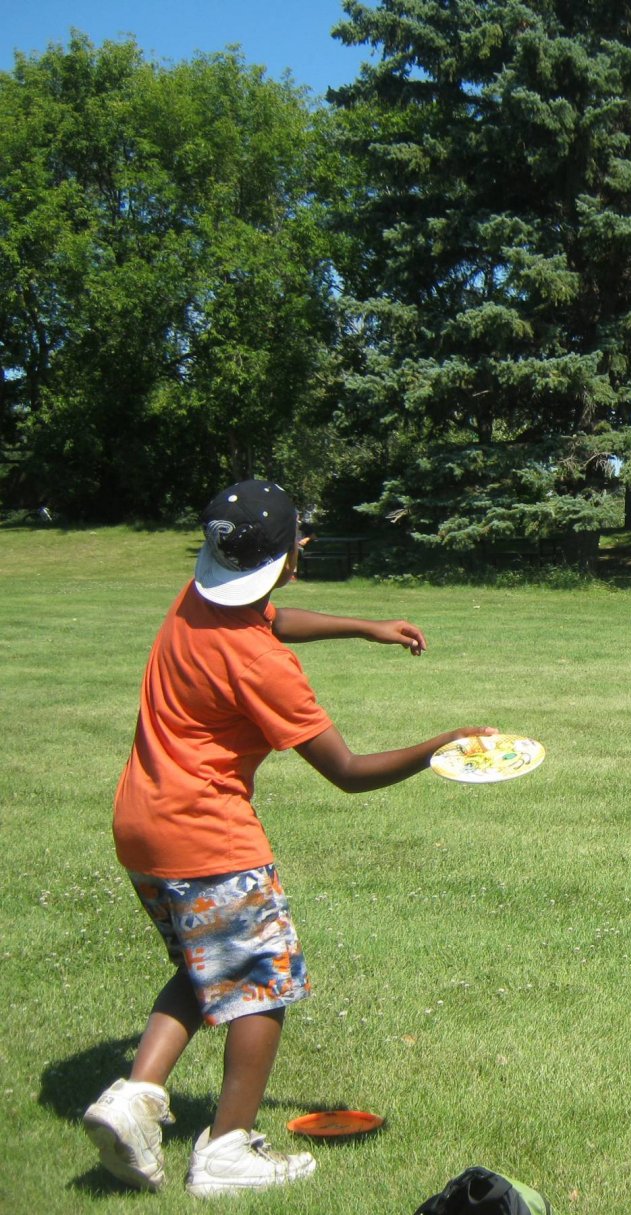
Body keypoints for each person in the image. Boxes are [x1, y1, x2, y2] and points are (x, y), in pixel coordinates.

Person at [82, 480, 494, 1198]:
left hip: (141, 823)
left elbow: (272, 614)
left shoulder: (196, 601)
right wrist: (443, 746)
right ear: (291, 555)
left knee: (207, 964)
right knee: (261, 983)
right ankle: (228, 1149)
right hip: (211, 835)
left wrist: (364, 626)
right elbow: (348, 771)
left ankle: (135, 1097)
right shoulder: (260, 663)